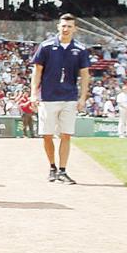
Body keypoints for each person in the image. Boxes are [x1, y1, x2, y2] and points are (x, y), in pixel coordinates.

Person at [30, 13, 91, 184]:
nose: (66, 29)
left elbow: (85, 75)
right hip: (48, 97)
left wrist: (83, 97)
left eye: (69, 26)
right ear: (58, 26)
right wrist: (34, 93)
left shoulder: (80, 49)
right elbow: (37, 71)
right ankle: (52, 167)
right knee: (47, 135)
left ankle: (63, 170)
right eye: (63, 26)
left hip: (69, 97)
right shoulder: (46, 46)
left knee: (66, 135)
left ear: (75, 29)